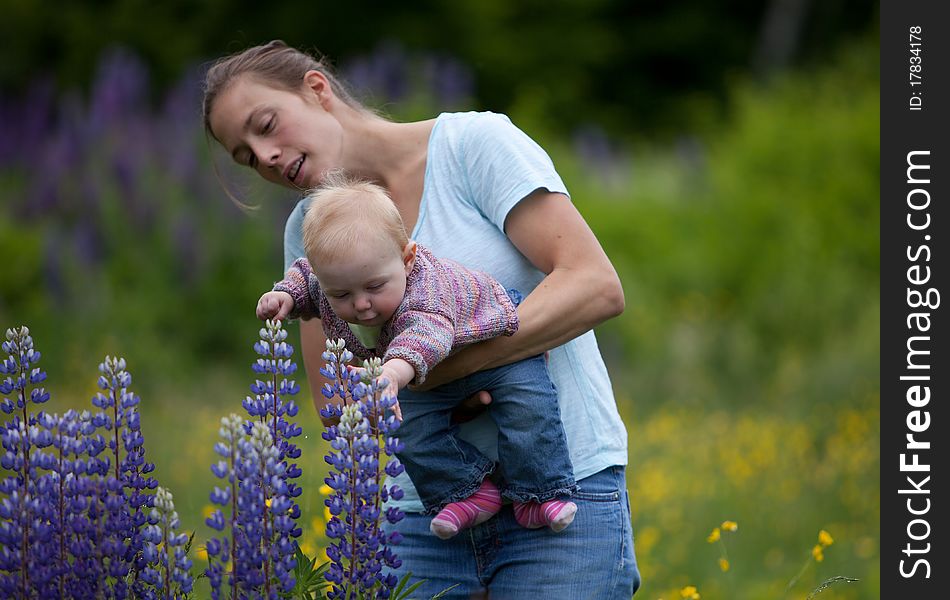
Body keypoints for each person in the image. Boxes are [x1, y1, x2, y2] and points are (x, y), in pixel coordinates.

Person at [203, 39, 640, 598]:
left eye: (266, 125)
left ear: (316, 89)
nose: (263, 156)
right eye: (243, 155)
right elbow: (335, 404)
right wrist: (427, 379)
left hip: (565, 493)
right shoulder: (309, 226)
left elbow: (594, 287)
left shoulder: (473, 146)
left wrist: (432, 371)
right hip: (421, 518)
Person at [257, 173, 579, 538]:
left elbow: (426, 335)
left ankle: (541, 493)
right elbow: (305, 278)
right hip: (428, 369)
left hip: (489, 338)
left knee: (528, 409)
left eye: (375, 287)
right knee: (405, 426)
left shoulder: (427, 288)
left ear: (407, 259)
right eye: (341, 295)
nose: (361, 304)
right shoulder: (331, 279)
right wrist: (285, 295)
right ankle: (466, 492)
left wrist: (392, 375)